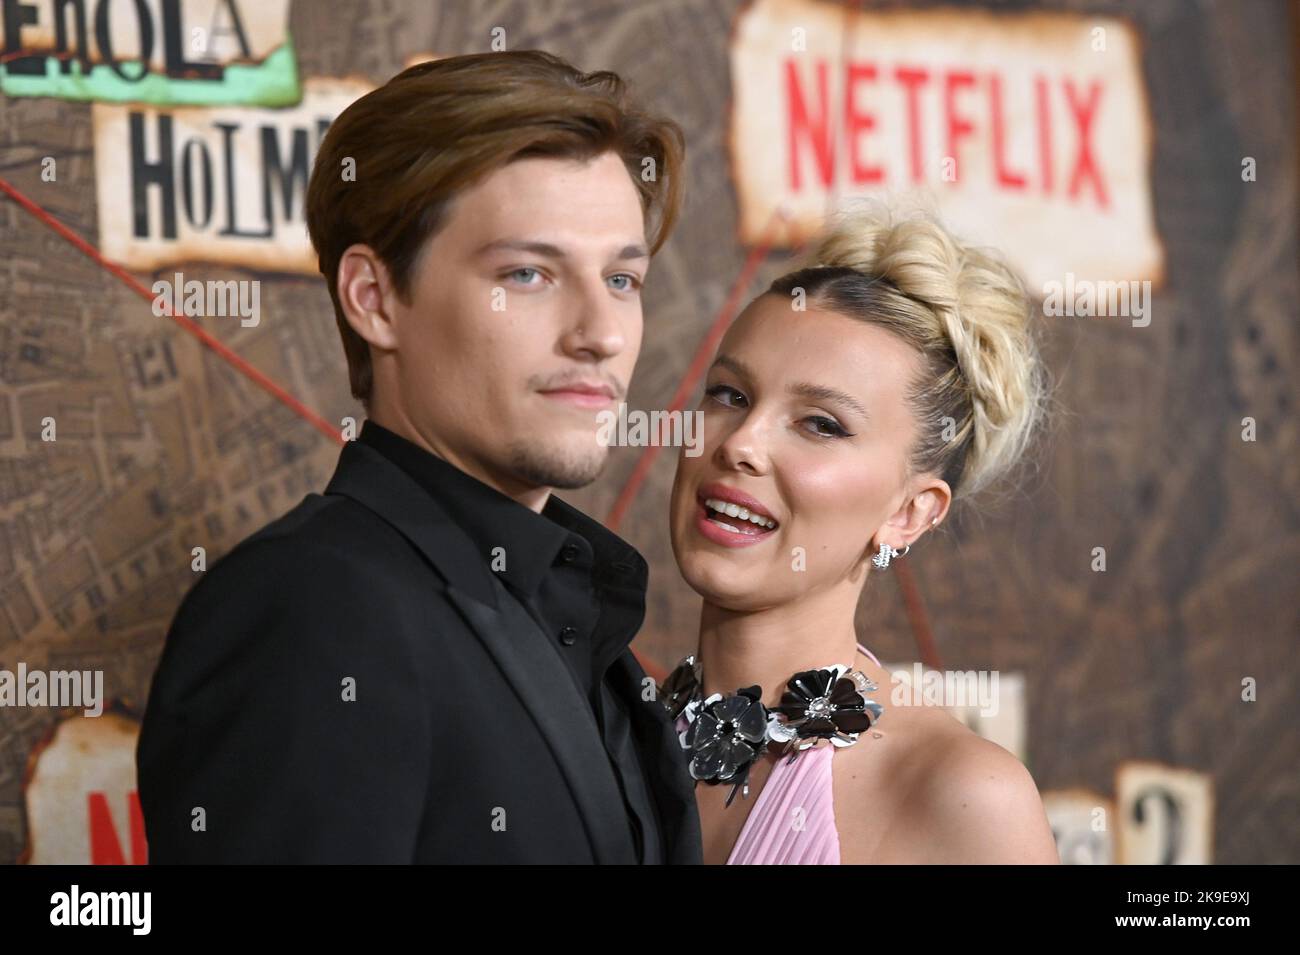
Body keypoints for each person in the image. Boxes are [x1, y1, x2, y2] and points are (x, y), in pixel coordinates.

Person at [136, 50, 701, 863]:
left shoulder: (570, 606)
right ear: (374, 299)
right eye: (529, 273)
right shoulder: (310, 610)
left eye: (621, 279)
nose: (602, 334)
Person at [661, 200, 1061, 864]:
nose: (741, 444)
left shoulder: (964, 796)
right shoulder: (600, 731)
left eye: (821, 424)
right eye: (730, 395)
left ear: (910, 513)